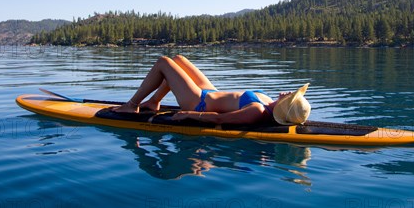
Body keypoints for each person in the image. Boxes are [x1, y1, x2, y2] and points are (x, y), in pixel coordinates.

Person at [111, 55, 311, 125]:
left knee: (164, 63)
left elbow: (219, 119)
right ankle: (154, 102)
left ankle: (132, 105)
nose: (288, 92)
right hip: (211, 93)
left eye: (291, 96)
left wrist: (187, 114)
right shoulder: (268, 101)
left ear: (285, 107)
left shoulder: (258, 111)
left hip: (198, 103)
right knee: (179, 60)